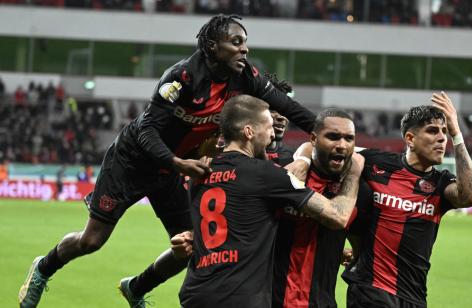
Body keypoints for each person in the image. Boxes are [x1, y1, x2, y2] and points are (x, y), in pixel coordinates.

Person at [19, 14, 316, 308]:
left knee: (193, 246)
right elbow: (146, 131)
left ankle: (136, 287)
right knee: (92, 241)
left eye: (245, 43)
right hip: (132, 162)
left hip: (170, 170)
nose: (244, 49)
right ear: (212, 46)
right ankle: (43, 267)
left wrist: (323, 132)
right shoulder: (182, 77)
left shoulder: (245, 77)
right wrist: (178, 163)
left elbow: (286, 105)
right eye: (235, 42)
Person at [175, 95, 363, 307]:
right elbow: (337, 217)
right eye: (268, 127)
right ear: (249, 132)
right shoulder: (266, 175)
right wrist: (354, 172)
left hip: (196, 292)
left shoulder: (200, 174)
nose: (273, 134)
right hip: (240, 296)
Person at [342, 92, 472, 308]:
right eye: (432, 131)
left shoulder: (441, 183)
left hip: (414, 297)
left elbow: (471, 196)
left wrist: (457, 134)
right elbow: (331, 142)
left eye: (444, 132)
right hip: (371, 290)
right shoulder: (377, 163)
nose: (442, 138)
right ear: (410, 139)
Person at [272, 108, 369, 308]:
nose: (341, 145)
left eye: (349, 138)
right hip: (271, 300)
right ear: (314, 139)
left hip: (322, 302)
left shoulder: (360, 191)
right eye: (333, 137)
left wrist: (336, 251)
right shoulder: (286, 171)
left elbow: (360, 249)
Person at [264, 73, 295, 166]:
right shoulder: (240, 156)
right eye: (273, 110)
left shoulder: (293, 158)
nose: (282, 117)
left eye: (285, 111)